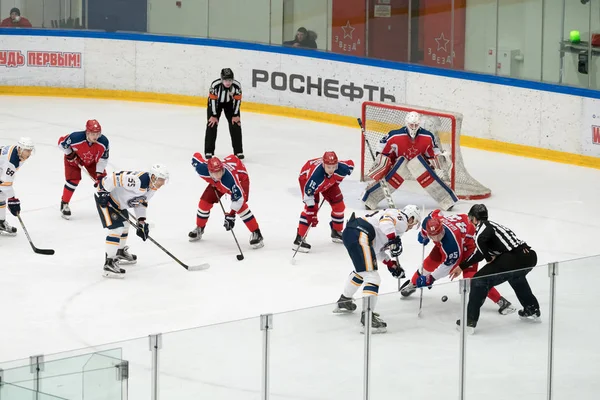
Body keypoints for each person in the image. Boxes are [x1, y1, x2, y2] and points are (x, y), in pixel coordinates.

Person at [401, 210, 516, 315]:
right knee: (429, 263)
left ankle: (501, 301)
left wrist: (431, 278)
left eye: (439, 235)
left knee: (471, 278)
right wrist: (423, 234)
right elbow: (435, 213)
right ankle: (413, 284)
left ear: (442, 230)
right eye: (433, 236)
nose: (436, 238)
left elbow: (448, 266)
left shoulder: (451, 243)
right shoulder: (431, 223)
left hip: (469, 245)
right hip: (459, 232)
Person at [449, 204, 540, 333]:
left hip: (512, 258)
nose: (470, 221)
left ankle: (469, 321)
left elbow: (482, 240)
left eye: (470, 218)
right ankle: (532, 308)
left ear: (475, 219)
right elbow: (479, 253)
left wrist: (488, 258)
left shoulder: (483, 227)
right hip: (528, 257)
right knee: (516, 277)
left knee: (478, 280)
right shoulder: (495, 227)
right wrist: (462, 266)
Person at [333, 205, 421, 333]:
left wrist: (390, 264)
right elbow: (385, 221)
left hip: (355, 233)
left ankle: (344, 301)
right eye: (414, 224)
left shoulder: (393, 223)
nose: (411, 227)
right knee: (372, 277)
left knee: (362, 272)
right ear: (412, 218)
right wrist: (393, 239)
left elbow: (376, 250)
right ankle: (368, 319)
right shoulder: (402, 220)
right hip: (360, 233)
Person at [361, 111, 457, 211]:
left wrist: (441, 158)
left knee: (423, 171)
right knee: (398, 169)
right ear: (407, 123)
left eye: (416, 125)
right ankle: (370, 199)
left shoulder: (428, 136)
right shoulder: (395, 135)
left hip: (419, 163)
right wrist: (381, 160)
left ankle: (447, 200)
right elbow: (382, 147)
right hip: (399, 162)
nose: (414, 127)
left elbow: (432, 152)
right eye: (411, 124)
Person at [95, 165, 169, 278]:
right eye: (160, 180)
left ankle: (119, 252)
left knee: (125, 225)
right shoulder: (138, 181)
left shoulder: (151, 189)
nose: (162, 183)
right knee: (116, 229)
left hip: (119, 203)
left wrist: (141, 221)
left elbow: (140, 203)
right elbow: (115, 177)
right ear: (153, 177)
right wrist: (103, 191)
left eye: (163, 180)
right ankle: (109, 263)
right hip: (106, 199)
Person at [189, 152, 263, 248]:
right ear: (209, 171)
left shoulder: (229, 180)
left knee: (241, 207)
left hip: (240, 178)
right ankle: (199, 228)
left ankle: (256, 233)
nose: (218, 174)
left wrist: (231, 215)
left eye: (220, 171)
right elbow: (196, 157)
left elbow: (239, 199)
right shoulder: (201, 169)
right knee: (204, 203)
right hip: (217, 182)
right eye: (215, 173)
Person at [294, 151, 354, 252]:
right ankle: (299, 239)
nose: (331, 170)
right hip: (307, 180)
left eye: (334, 167)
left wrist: (337, 180)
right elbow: (308, 195)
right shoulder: (316, 177)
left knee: (339, 206)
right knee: (311, 210)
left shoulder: (342, 167)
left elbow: (351, 165)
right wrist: (312, 214)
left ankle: (336, 231)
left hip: (327, 181)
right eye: (328, 167)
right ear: (323, 165)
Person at [58, 119, 109, 219]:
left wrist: (98, 174)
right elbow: (61, 143)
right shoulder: (75, 137)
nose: (96, 136)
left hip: (93, 161)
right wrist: (70, 153)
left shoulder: (103, 142)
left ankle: (109, 206)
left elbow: (103, 159)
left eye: (98, 133)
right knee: (73, 180)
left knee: (104, 182)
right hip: (74, 159)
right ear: (87, 132)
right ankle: (64, 204)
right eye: (93, 134)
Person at [205, 68, 244, 159]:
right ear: (221, 79)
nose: (228, 83)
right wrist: (214, 115)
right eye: (225, 80)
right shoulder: (215, 85)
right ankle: (209, 151)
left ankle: (238, 151)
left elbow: (238, 101)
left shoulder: (237, 86)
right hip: (215, 104)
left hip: (230, 104)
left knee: (236, 124)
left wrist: (235, 115)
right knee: (212, 124)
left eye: (230, 80)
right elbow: (213, 101)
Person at [0, 138, 35, 235]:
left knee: (1, 196)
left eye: (30, 150)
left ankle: (1, 223)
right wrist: (12, 199)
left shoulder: (17, 152)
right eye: (27, 150)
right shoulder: (12, 161)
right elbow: (5, 184)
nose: (29, 153)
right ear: (20, 149)